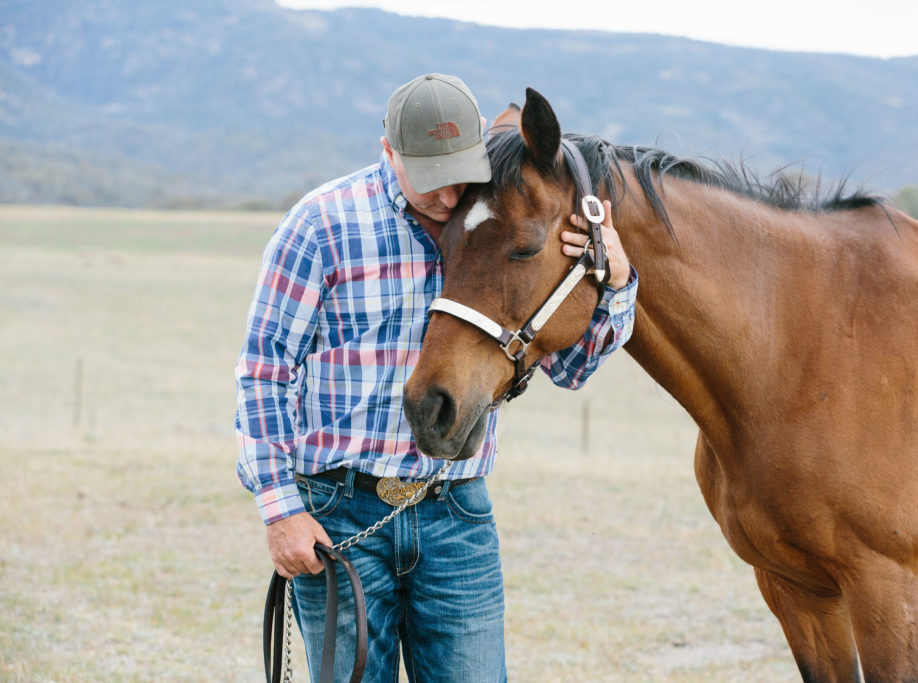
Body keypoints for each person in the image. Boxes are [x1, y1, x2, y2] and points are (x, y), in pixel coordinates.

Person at [234, 73, 637, 682]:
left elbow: (572, 368)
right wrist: (279, 509)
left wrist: (615, 282)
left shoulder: (492, 222)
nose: (448, 195)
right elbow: (266, 371)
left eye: (458, 171)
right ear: (388, 151)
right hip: (340, 516)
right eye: (428, 176)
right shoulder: (320, 225)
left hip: (456, 513)